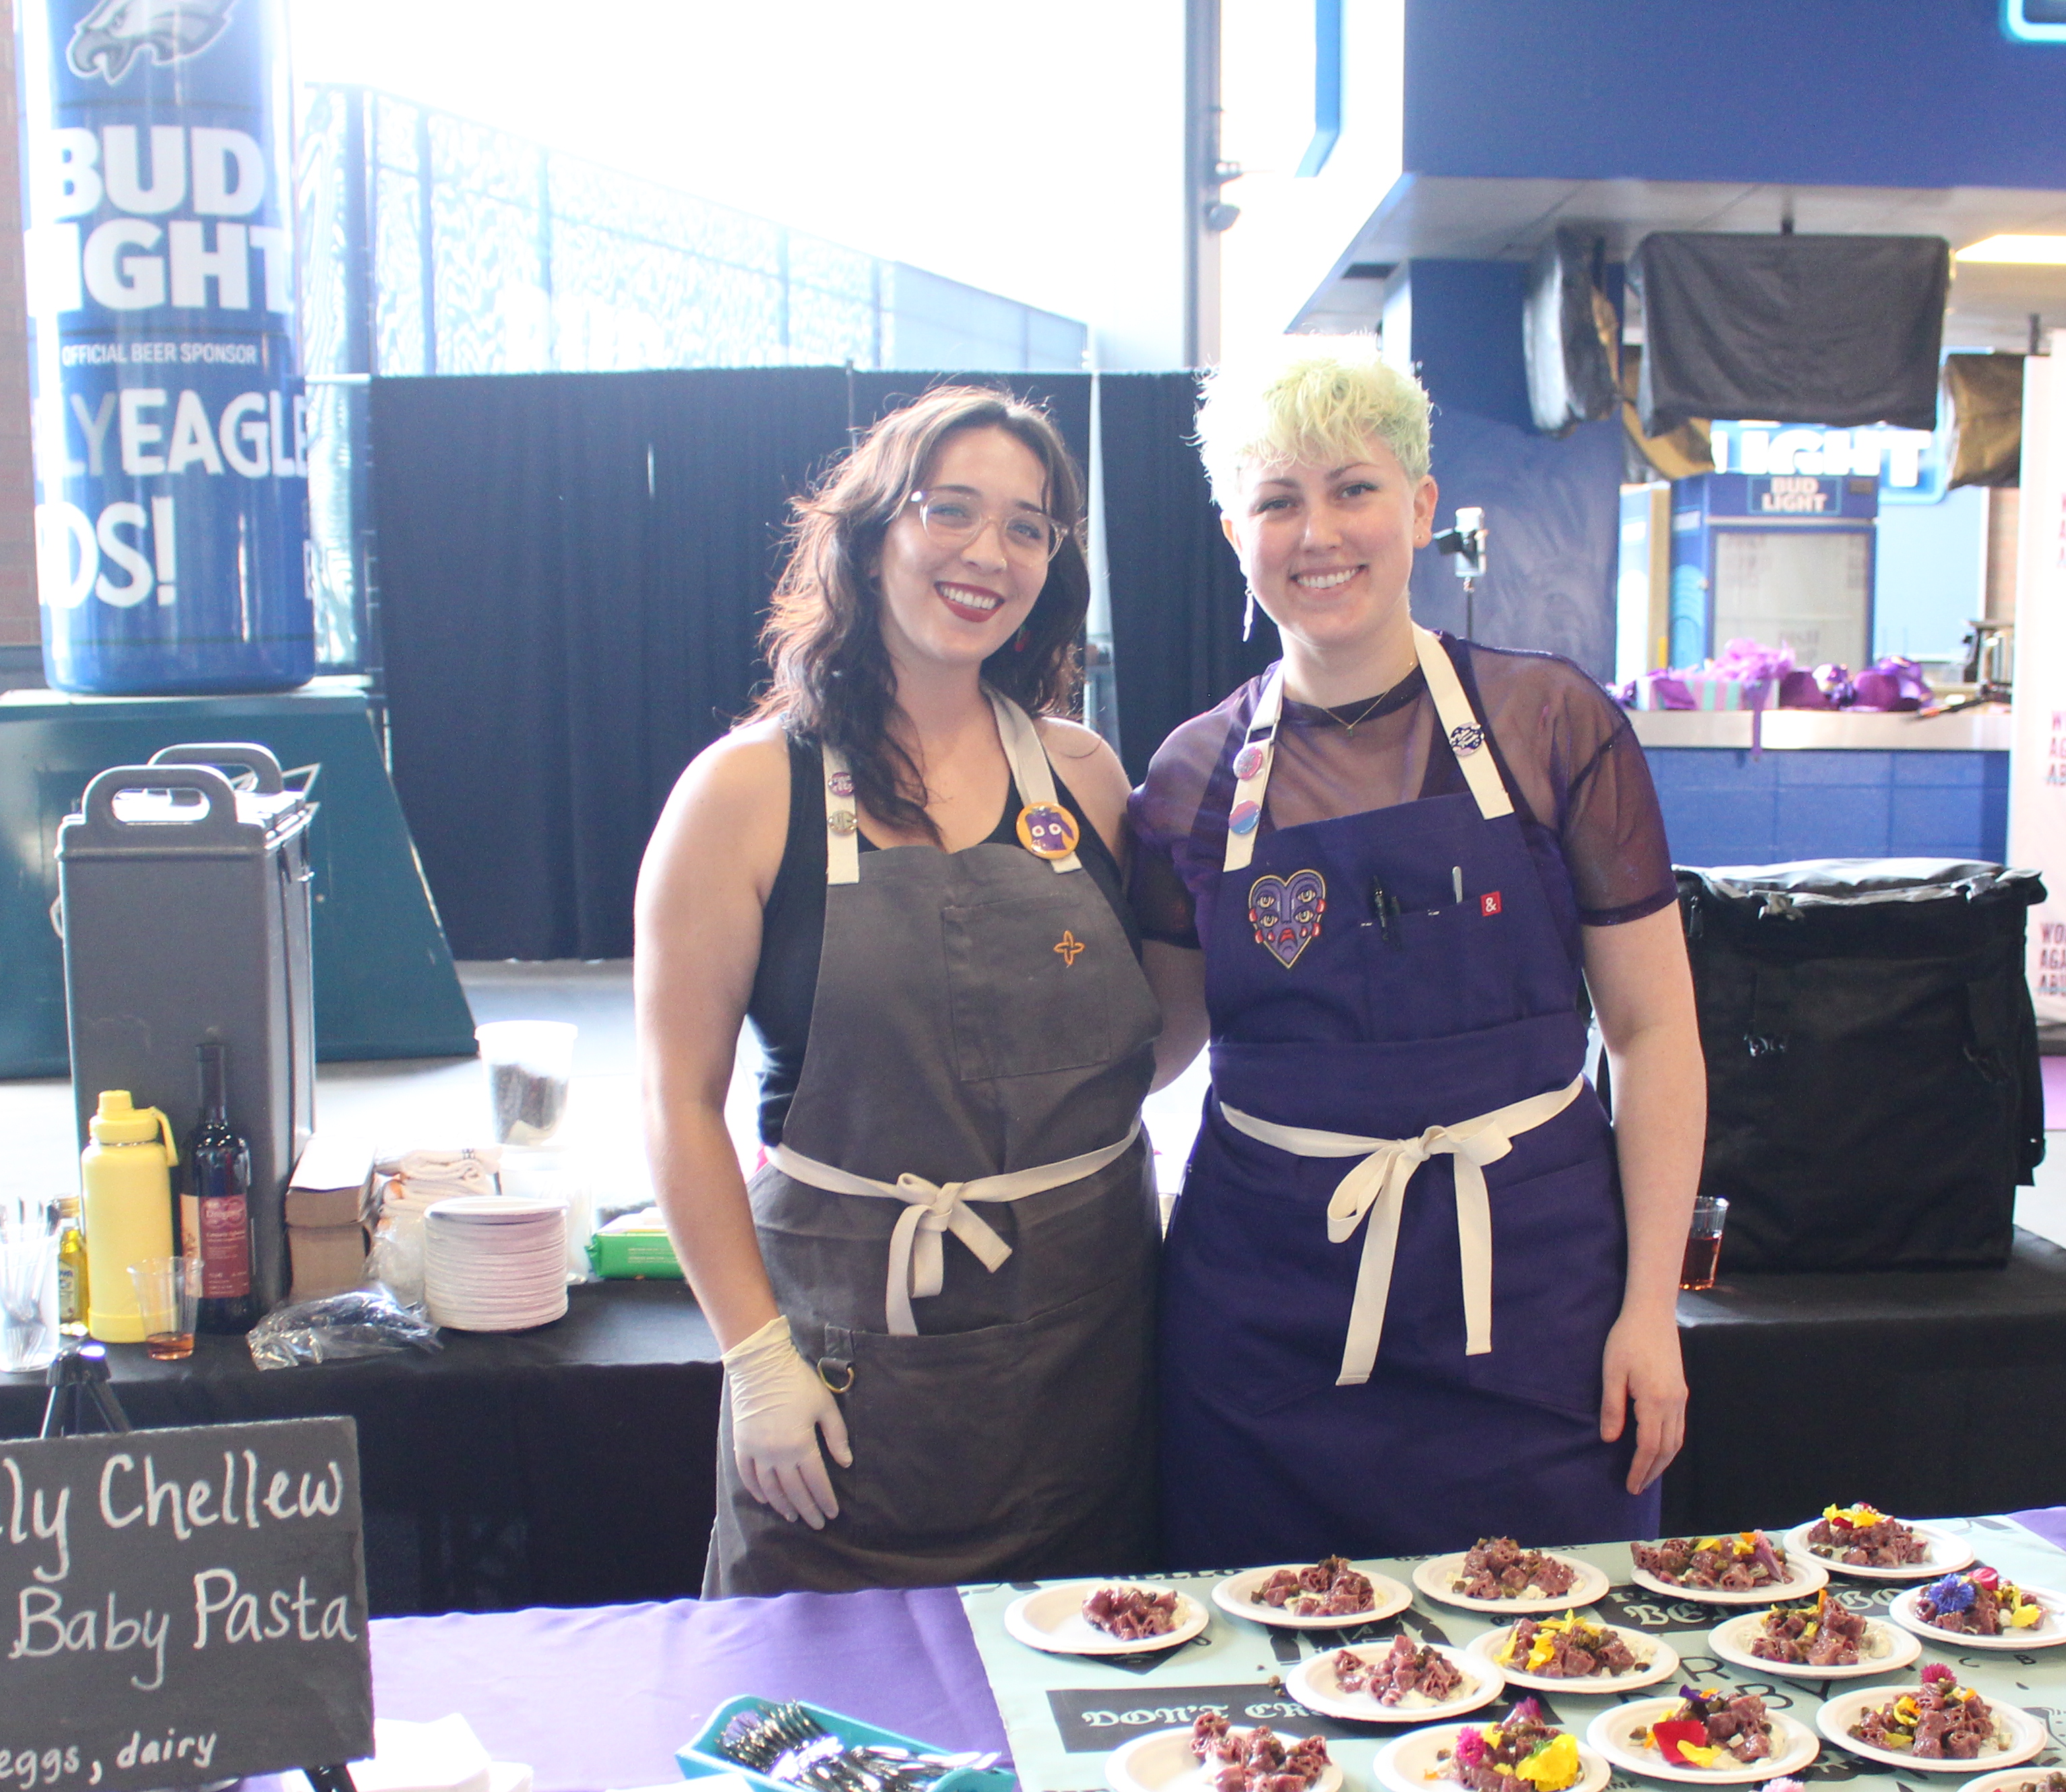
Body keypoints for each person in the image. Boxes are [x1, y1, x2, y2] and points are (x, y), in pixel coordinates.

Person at [1128, 344, 1705, 1564]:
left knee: (1552, 1680)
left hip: (1536, 1300)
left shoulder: (1556, 727)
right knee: (1267, 1713)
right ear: (1235, 531)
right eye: (1277, 500)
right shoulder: (1190, 778)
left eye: (1353, 488)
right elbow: (1159, 1046)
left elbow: (1654, 1038)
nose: (1317, 531)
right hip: (1265, 1322)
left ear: (1423, 508)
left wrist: (1650, 1308)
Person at [637, 386, 1164, 1593]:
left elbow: (1148, 1031)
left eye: (1029, 527)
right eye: (952, 511)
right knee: (828, 1747)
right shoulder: (743, 793)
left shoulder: (1084, 778)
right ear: (873, 535)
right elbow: (675, 1101)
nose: (989, 554)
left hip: (1087, 1363)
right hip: (842, 1382)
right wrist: (755, 1358)